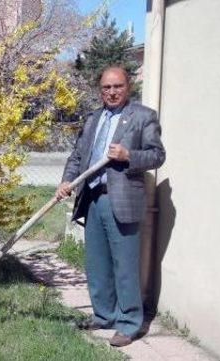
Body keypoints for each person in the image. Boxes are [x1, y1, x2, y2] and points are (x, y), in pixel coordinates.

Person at [56, 66, 165, 347]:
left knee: (125, 265)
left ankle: (129, 324)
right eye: (106, 87)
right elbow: (78, 156)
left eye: (117, 86)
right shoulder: (93, 118)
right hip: (92, 197)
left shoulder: (143, 116)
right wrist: (66, 181)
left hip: (123, 200)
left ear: (127, 87)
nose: (112, 92)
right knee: (97, 263)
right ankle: (104, 315)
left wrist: (129, 155)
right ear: (100, 90)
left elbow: (157, 155)